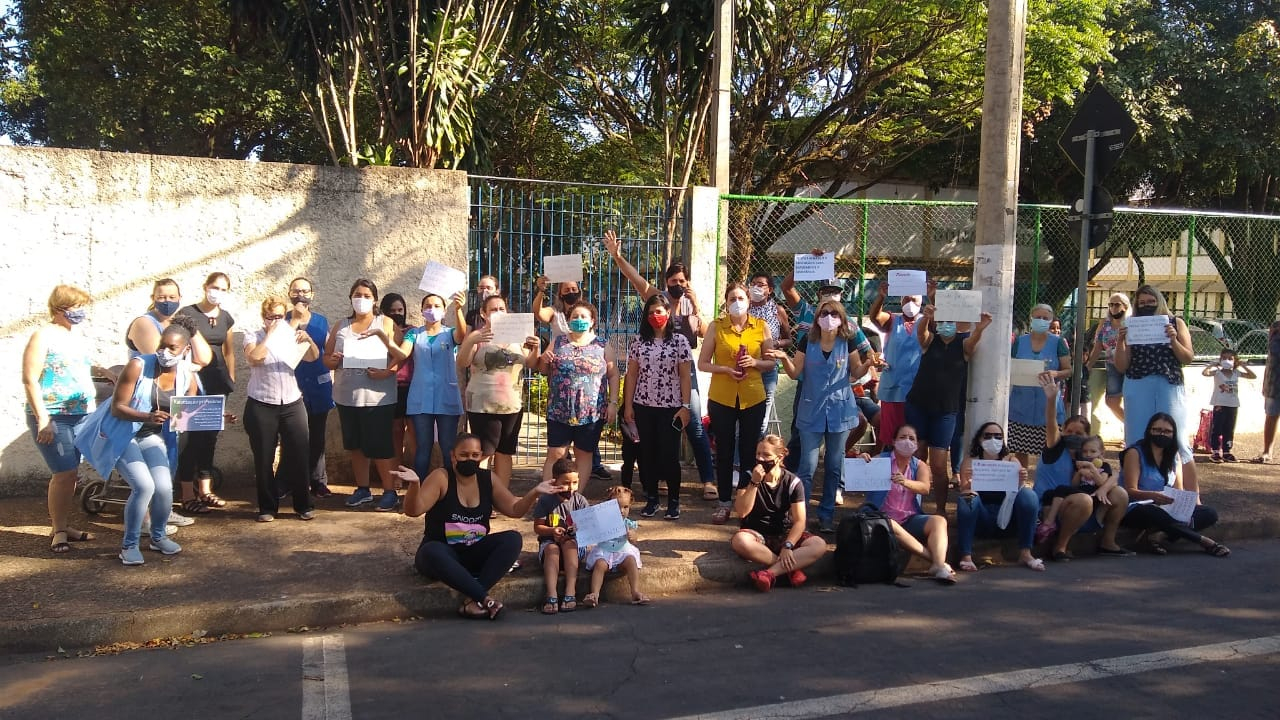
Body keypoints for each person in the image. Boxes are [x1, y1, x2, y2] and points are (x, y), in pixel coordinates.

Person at [603, 229, 716, 499]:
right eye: (673, 281)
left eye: (682, 281)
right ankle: (662, 477)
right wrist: (618, 257)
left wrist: (696, 304)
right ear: (666, 283)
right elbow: (636, 279)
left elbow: (707, 332)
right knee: (659, 431)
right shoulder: (659, 301)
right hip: (655, 379)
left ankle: (708, 480)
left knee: (695, 426)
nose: (678, 284)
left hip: (685, 375)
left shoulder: (692, 307)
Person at [394, 435, 558, 619]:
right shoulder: (441, 477)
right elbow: (414, 510)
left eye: (474, 455)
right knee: (431, 550)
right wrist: (415, 485)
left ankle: (473, 600)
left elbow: (514, 509)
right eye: (464, 455)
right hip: (443, 552)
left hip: (473, 551)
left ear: (481, 456)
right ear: (453, 456)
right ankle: (483, 598)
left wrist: (534, 493)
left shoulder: (488, 479)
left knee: (513, 538)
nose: (469, 459)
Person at [22, 284, 116, 554]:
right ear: (61, 308)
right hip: (54, 416)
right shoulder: (43, 336)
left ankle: (60, 525)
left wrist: (102, 370)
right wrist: (43, 419)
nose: (81, 312)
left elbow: (76, 367)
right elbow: (30, 379)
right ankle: (60, 531)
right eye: (77, 307)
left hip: (80, 414)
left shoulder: (72, 335)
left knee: (71, 475)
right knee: (63, 473)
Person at [100, 324, 200, 565]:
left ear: (185, 349)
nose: (164, 351)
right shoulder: (138, 365)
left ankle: (158, 537)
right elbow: (117, 407)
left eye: (171, 347)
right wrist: (147, 416)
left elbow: (186, 414)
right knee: (144, 486)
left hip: (149, 436)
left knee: (164, 487)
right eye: (161, 345)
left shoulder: (187, 374)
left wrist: (219, 415)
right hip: (123, 433)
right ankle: (129, 545)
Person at [770, 299, 867, 533]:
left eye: (834, 313)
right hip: (811, 410)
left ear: (842, 318)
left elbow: (856, 372)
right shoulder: (808, 340)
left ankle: (826, 515)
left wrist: (869, 364)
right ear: (817, 318)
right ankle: (799, 517)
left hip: (840, 411)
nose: (829, 317)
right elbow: (795, 373)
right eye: (824, 313)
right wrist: (784, 358)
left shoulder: (848, 341)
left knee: (834, 465)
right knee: (807, 466)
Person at [123, 278, 211, 529]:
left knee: (170, 457)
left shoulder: (177, 326)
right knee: (152, 463)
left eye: (172, 297)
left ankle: (163, 510)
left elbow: (204, 357)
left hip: (174, 401)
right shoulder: (144, 323)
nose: (167, 301)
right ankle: (146, 520)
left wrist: (189, 329)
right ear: (153, 297)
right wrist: (186, 358)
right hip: (148, 404)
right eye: (162, 297)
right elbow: (162, 359)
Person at [324, 279, 408, 511]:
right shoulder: (341, 326)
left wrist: (387, 373)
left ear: (374, 299)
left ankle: (389, 491)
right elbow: (327, 357)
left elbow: (400, 356)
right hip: (347, 396)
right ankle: (363, 489)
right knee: (356, 445)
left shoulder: (387, 323)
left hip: (378, 398)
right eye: (357, 294)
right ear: (351, 298)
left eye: (366, 295)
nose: (361, 299)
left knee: (381, 446)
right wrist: (331, 361)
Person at [698, 282, 776, 525]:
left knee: (749, 450)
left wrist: (754, 363)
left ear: (749, 300)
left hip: (753, 396)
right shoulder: (716, 327)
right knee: (723, 450)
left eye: (741, 297)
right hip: (722, 397)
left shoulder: (761, 327)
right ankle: (724, 503)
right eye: (732, 298)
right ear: (726, 301)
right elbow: (702, 363)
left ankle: (746, 500)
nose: (737, 302)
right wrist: (724, 369)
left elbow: (771, 362)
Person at [1031, 377, 1132, 561]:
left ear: (1087, 436)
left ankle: (1107, 542)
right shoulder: (1055, 447)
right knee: (1084, 500)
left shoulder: (1087, 455)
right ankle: (1060, 547)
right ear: (1062, 431)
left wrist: (1103, 485)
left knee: (1120, 494)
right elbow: (1051, 423)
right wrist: (1052, 399)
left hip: (1081, 508)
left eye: (1079, 433)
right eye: (1069, 432)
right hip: (1050, 506)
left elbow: (1111, 474)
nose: (1073, 436)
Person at [905, 303, 992, 514]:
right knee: (916, 458)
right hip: (918, 406)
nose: (946, 325)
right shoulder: (930, 340)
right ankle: (910, 508)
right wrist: (926, 317)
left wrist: (980, 328)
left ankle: (941, 510)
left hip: (945, 412)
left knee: (938, 465)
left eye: (950, 322)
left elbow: (973, 342)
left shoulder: (963, 345)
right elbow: (921, 333)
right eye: (942, 322)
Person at [1112, 285, 1200, 492]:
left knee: (1177, 439)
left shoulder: (1175, 323)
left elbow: (1187, 357)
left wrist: (1173, 339)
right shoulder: (1132, 325)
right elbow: (1122, 366)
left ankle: (1191, 497)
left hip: (1168, 384)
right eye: (1141, 303)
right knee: (1135, 439)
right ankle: (1132, 493)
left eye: (1150, 302)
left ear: (1159, 302)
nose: (1146, 306)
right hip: (1137, 383)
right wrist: (1121, 341)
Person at [242, 296, 321, 522]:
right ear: (263, 318)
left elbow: (312, 357)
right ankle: (267, 507)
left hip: (292, 402)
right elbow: (254, 358)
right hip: (261, 402)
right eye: (271, 317)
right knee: (264, 457)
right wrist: (270, 335)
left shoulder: (291, 334)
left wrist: (309, 340)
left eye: (280, 316)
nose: (276, 321)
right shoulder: (254, 335)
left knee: (299, 453)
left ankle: (303, 505)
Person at [457, 294, 543, 486]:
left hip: (512, 404)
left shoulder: (519, 336)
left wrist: (536, 348)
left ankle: (500, 494)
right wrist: (471, 341)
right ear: (484, 314)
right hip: (482, 404)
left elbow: (531, 363)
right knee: (485, 451)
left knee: (505, 451)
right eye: (493, 310)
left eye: (501, 309)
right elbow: (463, 362)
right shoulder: (478, 336)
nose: (498, 313)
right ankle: (478, 493)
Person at [855, 425, 957, 584]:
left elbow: (925, 488)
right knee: (891, 524)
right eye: (902, 437)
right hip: (881, 519)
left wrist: (905, 482)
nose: (907, 442)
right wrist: (862, 460)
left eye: (911, 438)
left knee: (939, 521)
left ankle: (937, 564)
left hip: (910, 518)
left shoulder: (919, 465)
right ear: (894, 441)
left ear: (916, 445)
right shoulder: (881, 460)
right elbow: (857, 476)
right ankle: (937, 563)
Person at [1120, 413, 1230, 558]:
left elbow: (1178, 489)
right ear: (1149, 431)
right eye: (1157, 430)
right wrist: (1154, 496)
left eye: (1167, 431)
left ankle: (1160, 536)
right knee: (1156, 513)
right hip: (1137, 507)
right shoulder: (1135, 453)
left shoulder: (1173, 456)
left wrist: (1181, 504)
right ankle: (1205, 542)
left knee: (1208, 513)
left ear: (1173, 434)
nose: (1162, 434)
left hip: (1164, 506)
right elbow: (1130, 490)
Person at [623, 293, 692, 520]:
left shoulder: (680, 341)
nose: (655, 316)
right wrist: (628, 406)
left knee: (669, 456)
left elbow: (684, 376)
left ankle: (673, 501)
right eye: (651, 312)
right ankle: (651, 499)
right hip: (643, 406)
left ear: (668, 313)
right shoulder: (638, 341)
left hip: (670, 408)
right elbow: (632, 374)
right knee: (647, 455)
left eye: (659, 312)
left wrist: (685, 405)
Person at [729, 435, 827, 592]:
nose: (761, 459)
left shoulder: (792, 482)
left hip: (783, 533)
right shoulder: (748, 476)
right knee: (740, 541)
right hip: (757, 534)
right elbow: (742, 512)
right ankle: (790, 570)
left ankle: (769, 573)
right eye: (758, 454)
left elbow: (800, 521)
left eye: (766, 455)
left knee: (819, 545)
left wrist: (788, 545)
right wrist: (754, 483)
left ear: (780, 457)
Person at [175, 272, 237, 515]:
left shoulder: (226, 318)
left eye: (222, 289)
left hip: (217, 382)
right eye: (214, 287)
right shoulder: (187, 314)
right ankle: (187, 493)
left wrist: (230, 377)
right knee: (192, 438)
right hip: (193, 381)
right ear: (205, 287)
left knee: (210, 437)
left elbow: (228, 350)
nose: (217, 292)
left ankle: (205, 489)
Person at [537, 301, 618, 485]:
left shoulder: (602, 345)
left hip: (590, 413)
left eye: (583, 317)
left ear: (592, 321)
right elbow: (542, 369)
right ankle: (551, 495)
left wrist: (613, 403)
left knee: (584, 454)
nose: (579, 319)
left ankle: (575, 497)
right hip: (560, 410)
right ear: (568, 320)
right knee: (556, 454)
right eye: (575, 316)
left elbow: (613, 375)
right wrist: (544, 358)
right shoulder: (558, 342)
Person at [955, 421, 1044, 571]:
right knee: (968, 499)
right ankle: (966, 556)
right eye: (988, 436)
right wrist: (969, 483)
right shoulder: (970, 462)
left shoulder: (1011, 460)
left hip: (1007, 517)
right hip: (982, 518)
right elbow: (964, 490)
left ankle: (1026, 553)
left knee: (1029, 495)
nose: (993, 440)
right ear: (980, 439)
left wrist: (1021, 479)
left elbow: (1018, 492)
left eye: (998, 436)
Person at [403, 291, 468, 480]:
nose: (432, 310)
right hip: (420, 398)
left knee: (448, 447)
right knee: (423, 446)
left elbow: (462, 335)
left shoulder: (449, 334)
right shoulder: (414, 334)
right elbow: (402, 353)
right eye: (428, 306)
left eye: (437, 306)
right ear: (422, 311)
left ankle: (451, 490)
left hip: (446, 396)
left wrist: (458, 310)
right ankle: (419, 490)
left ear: (444, 310)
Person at [285, 277, 335, 498]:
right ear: (289, 293)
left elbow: (329, 350)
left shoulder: (321, 322)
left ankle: (318, 481)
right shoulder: (282, 321)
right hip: (291, 385)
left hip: (318, 386)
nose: (300, 295)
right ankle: (287, 481)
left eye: (305, 291)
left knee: (317, 435)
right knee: (290, 436)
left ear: (312, 295)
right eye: (296, 291)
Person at [868, 278, 930, 449]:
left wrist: (933, 295)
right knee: (891, 436)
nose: (910, 303)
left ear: (921, 302)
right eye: (906, 299)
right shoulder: (893, 321)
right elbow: (874, 317)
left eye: (914, 300)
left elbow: (942, 320)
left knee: (915, 437)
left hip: (917, 389)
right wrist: (881, 297)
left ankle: (912, 472)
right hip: (893, 389)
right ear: (901, 301)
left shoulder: (926, 322)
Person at [1007, 304, 1071, 465]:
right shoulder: (1019, 342)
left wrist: (1055, 374)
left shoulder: (1058, 343)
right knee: (1020, 450)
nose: (1041, 320)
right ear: (1031, 319)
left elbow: (1068, 370)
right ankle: (1022, 485)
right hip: (1021, 406)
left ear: (1051, 321)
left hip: (1048, 407)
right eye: (1038, 317)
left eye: (1045, 318)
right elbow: (1010, 366)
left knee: (1051, 450)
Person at [532, 457, 590, 614]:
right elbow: (538, 527)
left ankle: (570, 592)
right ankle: (551, 595)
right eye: (565, 482)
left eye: (574, 482)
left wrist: (577, 529)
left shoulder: (580, 501)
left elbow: (589, 527)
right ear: (554, 481)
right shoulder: (545, 500)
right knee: (552, 549)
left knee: (570, 544)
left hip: (573, 548)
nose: (570, 487)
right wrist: (552, 531)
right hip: (549, 546)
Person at [1037, 435, 1117, 543]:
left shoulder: (1105, 466)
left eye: (1093, 451)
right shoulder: (1080, 466)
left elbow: (1101, 482)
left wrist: (1093, 469)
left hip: (1093, 495)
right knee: (1051, 493)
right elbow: (1074, 485)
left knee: (1061, 489)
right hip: (1079, 493)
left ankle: (1049, 522)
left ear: (1101, 453)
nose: (1088, 455)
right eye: (1085, 451)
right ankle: (1049, 521)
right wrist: (1079, 473)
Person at [582, 486, 648, 608]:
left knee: (631, 560)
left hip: (622, 551)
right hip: (604, 552)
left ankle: (635, 591)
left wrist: (632, 536)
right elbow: (590, 531)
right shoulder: (602, 521)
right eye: (617, 507)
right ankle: (594, 594)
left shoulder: (628, 523)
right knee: (600, 564)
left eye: (625, 507)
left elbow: (635, 539)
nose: (621, 511)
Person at [747, 273, 791, 434]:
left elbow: (789, 340)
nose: (755, 288)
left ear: (770, 290)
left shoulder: (777, 311)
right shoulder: (743, 309)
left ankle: (757, 455)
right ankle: (739, 459)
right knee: (743, 418)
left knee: (761, 421)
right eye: (752, 284)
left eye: (760, 284)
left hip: (768, 368)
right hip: (746, 367)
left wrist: (776, 343)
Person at [381, 292, 417, 469]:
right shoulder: (379, 333)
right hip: (390, 387)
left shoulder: (412, 331)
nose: (397, 313)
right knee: (395, 432)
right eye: (392, 310)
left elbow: (403, 356)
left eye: (400, 309)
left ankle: (416, 472)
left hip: (411, 387)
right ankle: (396, 470)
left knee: (414, 432)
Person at [1084, 292, 1130, 427]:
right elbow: (1098, 346)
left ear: (1125, 307)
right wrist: (1089, 365)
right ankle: (1131, 427)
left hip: (1129, 365)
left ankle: (1132, 433)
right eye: (1111, 304)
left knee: (1130, 400)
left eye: (1117, 304)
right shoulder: (1105, 324)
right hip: (1112, 365)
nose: (1113, 308)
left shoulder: (1130, 323)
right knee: (1111, 401)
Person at [1203, 348, 1255, 463]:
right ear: (1220, 359)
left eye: (1230, 359)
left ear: (1234, 361)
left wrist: (1243, 366)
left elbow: (1252, 376)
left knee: (1229, 428)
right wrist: (1211, 365)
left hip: (1233, 404)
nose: (1227, 360)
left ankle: (1227, 451)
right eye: (1224, 358)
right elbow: (1205, 373)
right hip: (1220, 404)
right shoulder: (1217, 372)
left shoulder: (1236, 373)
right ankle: (1215, 451)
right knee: (1217, 427)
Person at [1252, 320, 1280, 463]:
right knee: (1271, 415)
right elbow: (1273, 352)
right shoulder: (1276, 327)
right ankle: (1267, 451)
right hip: (1275, 380)